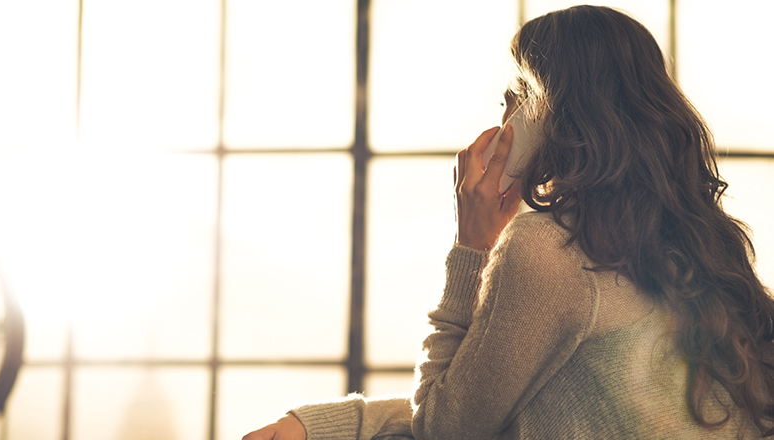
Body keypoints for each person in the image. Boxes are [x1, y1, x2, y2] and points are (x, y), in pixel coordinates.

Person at [244, 5, 774, 439]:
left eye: (515, 97)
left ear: (553, 110)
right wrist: (331, 423)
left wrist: (471, 248)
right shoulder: (694, 246)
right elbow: (500, 402)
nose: (503, 116)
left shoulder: (547, 251)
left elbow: (444, 429)